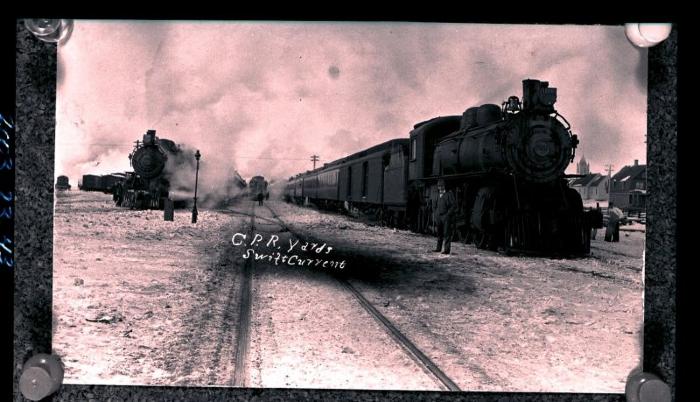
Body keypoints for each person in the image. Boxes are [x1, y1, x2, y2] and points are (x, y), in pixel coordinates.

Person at [433, 179, 457, 254]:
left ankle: (446, 250)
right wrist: (436, 213)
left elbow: (453, 205)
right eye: (439, 186)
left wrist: (448, 214)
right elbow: (434, 205)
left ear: (444, 186)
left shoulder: (449, 194)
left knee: (446, 233)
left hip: (445, 216)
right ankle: (438, 248)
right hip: (438, 216)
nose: (440, 187)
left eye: (441, 186)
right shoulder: (436, 195)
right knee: (439, 233)